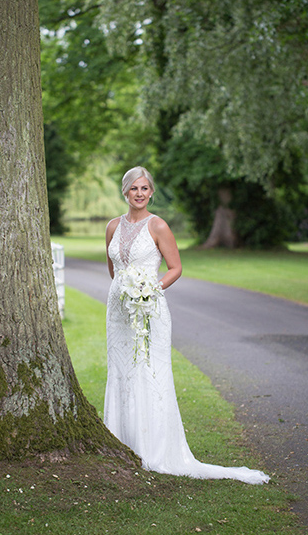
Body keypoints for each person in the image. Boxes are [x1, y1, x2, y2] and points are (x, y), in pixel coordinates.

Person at [104, 166, 269, 484]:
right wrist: (124, 295)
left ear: (152, 192)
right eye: (133, 188)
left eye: (145, 188)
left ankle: (152, 448)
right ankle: (121, 443)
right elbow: (114, 268)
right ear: (125, 192)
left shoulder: (159, 226)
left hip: (150, 308)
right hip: (118, 313)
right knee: (122, 371)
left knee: (149, 372)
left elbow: (175, 268)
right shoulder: (112, 226)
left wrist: (149, 291)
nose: (139, 193)